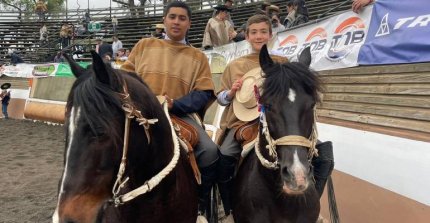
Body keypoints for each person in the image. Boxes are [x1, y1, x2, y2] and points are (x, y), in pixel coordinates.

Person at [121, 2, 218, 220]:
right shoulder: (144, 45)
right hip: (141, 113)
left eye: (182, 18)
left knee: (210, 153)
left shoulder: (198, 56)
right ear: (164, 20)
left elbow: (203, 92)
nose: (176, 21)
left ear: (189, 24)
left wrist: (176, 104)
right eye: (172, 17)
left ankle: (200, 205)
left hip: (179, 114)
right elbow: (125, 78)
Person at [215, 14, 289, 220]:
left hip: (278, 121)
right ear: (246, 36)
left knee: (320, 155)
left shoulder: (283, 62)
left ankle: (307, 202)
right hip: (241, 122)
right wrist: (230, 92)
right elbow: (221, 99)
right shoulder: (234, 65)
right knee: (224, 156)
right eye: (254, 32)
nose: (259, 36)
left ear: (271, 34)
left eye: (263, 32)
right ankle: (229, 205)